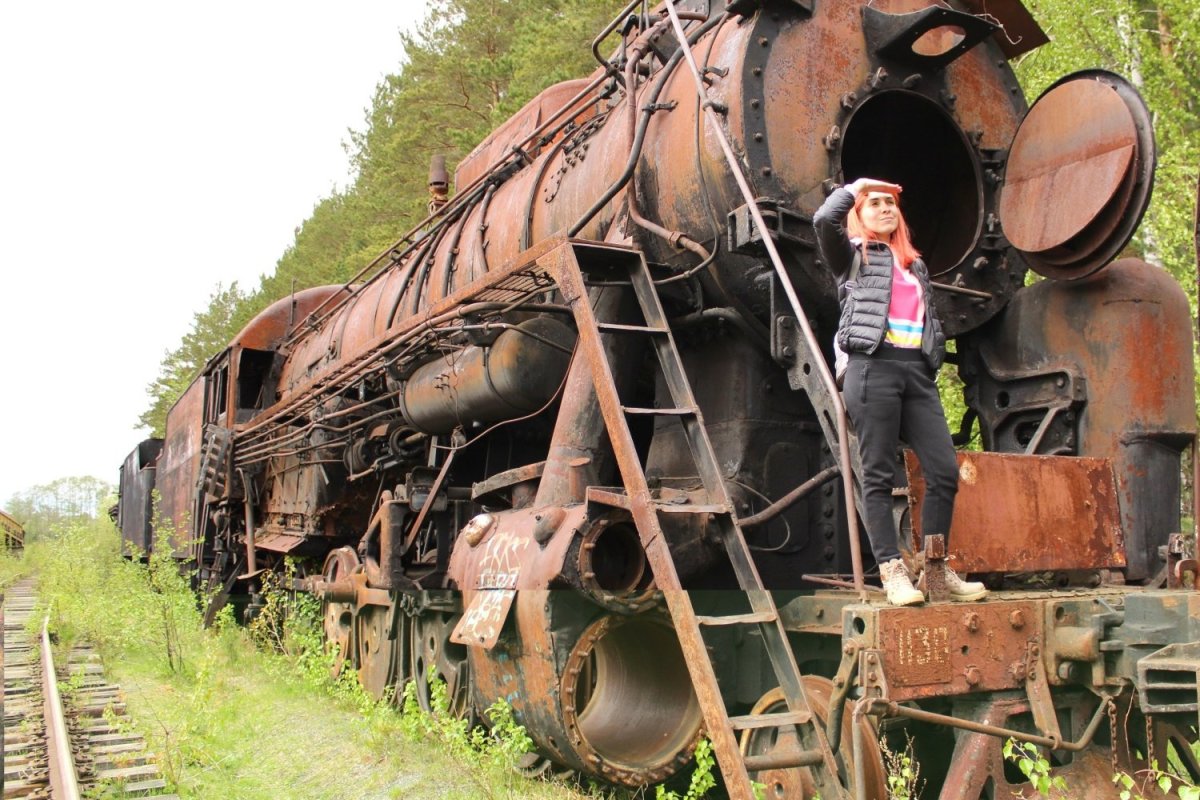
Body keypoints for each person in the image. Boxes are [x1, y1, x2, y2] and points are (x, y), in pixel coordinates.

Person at [814, 177, 987, 605]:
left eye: (890, 203)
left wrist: (931, 355)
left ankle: (936, 569)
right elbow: (823, 219)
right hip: (873, 368)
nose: (885, 208)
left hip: (915, 373)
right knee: (877, 472)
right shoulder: (852, 258)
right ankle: (892, 572)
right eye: (874, 203)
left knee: (944, 471)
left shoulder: (915, 266)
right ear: (859, 211)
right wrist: (856, 187)